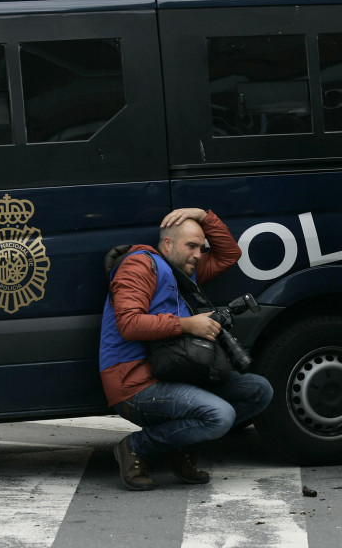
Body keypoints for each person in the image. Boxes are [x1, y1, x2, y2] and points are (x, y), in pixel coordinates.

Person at [100, 208, 273, 491]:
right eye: (191, 246)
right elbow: (129, 324)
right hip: (134, 383)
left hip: (173, 374)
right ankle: (136, 447)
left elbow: (229, 254)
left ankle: (180, 444)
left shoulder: (183, 272)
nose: (198, 254)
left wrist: (202, 215)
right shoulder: (140, 265)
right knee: (221, 415)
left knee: (259, 390)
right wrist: (188, 325)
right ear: (168, 244)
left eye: (201, 248)